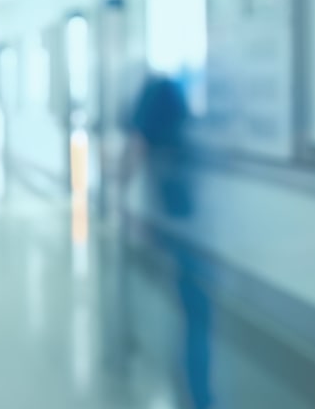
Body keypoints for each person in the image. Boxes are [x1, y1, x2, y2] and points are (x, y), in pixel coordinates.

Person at [126, 74, 212, 409]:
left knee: (185, 308)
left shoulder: (155, 115)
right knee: (193, 311)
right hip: (192, 232)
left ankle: (192, 389)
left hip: (179, 232)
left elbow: (133, 156)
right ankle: (194, 389)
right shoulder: (182, 127)